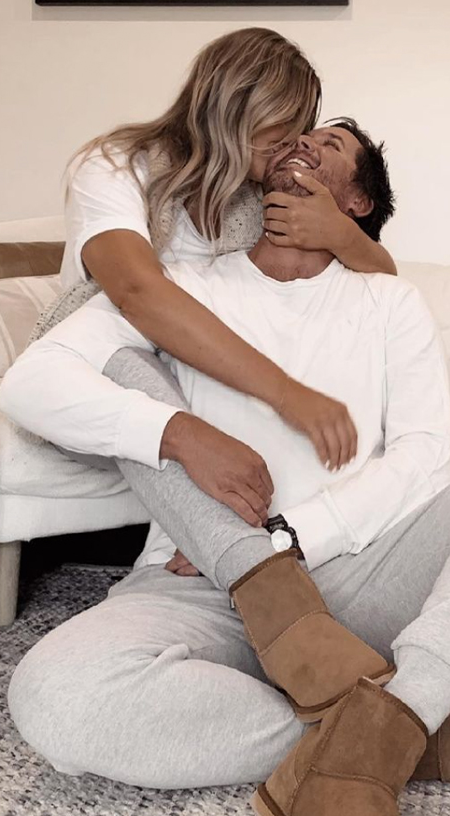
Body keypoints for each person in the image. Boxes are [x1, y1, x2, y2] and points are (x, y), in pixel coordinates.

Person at [0, 120, 450, 816]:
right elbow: (33, 379)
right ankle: (411, 728)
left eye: (330, 146)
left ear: (356, 202)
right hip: (198, 582)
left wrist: (288, 537)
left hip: (364, 572)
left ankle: (388, 713)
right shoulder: (181, 285)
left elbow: (428, 458)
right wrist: (176, 433)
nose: (301, 145)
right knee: (56, 699)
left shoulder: (389, 299)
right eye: (293, 135)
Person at [59, 26, 397, 511]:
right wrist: (287, 395)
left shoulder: (257, 195)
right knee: (139, 369)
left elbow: (385, 279)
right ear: (239, 107)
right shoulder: (114, 166)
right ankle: (247, 557)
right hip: (114, 375)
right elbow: (137, 293)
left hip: (207, 387)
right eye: (286, 125)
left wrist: (337, 232)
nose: (295, 142)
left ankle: (234, 538)